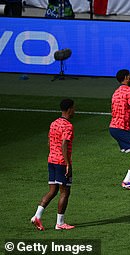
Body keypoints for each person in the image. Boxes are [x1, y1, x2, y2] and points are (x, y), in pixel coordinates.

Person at [30, 99, 76, 231]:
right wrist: (67, 164)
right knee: (65, 192)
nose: (74, 111)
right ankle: (60, 223)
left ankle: (37, 216)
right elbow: (64, 144)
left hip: (51, 160)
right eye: (73, 108)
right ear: (69, 109)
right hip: (62, 162)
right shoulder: (68, 126)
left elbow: (49, 142)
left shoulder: (54, 123)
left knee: (52, 190)